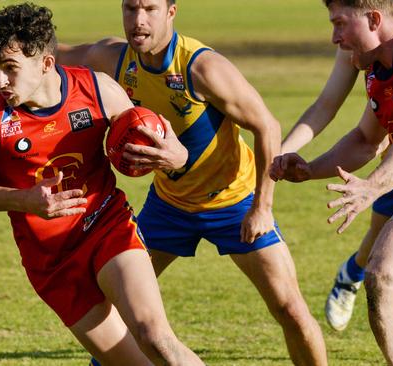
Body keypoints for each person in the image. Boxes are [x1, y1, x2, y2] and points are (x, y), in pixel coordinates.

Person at [43, 0, 328, 364]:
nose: (139, 20)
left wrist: (262, 207)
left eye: (150, 9)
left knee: (289, 309)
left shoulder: (202, 66)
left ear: (171, 12)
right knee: (117, 312)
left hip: (234, 201)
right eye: (131, 9)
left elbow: (267, 125)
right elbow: (54, 55)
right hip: (169, 206)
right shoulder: (113, 57)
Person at [0, 3, 204, 365]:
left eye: (10, 69)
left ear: (47, 64)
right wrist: (25, 200)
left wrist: (176, 156)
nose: (1, 81)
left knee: (155, 337)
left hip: (106, 226)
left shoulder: (97, 91)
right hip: (52, 263)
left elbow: (144, 135)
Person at [271, 0, 393, 363]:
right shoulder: (375, 64)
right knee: (381, 278)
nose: (334, 37)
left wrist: (373, 186)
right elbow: (366, 140)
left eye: (340, 24)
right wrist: (309, 169)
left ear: (373, 19)